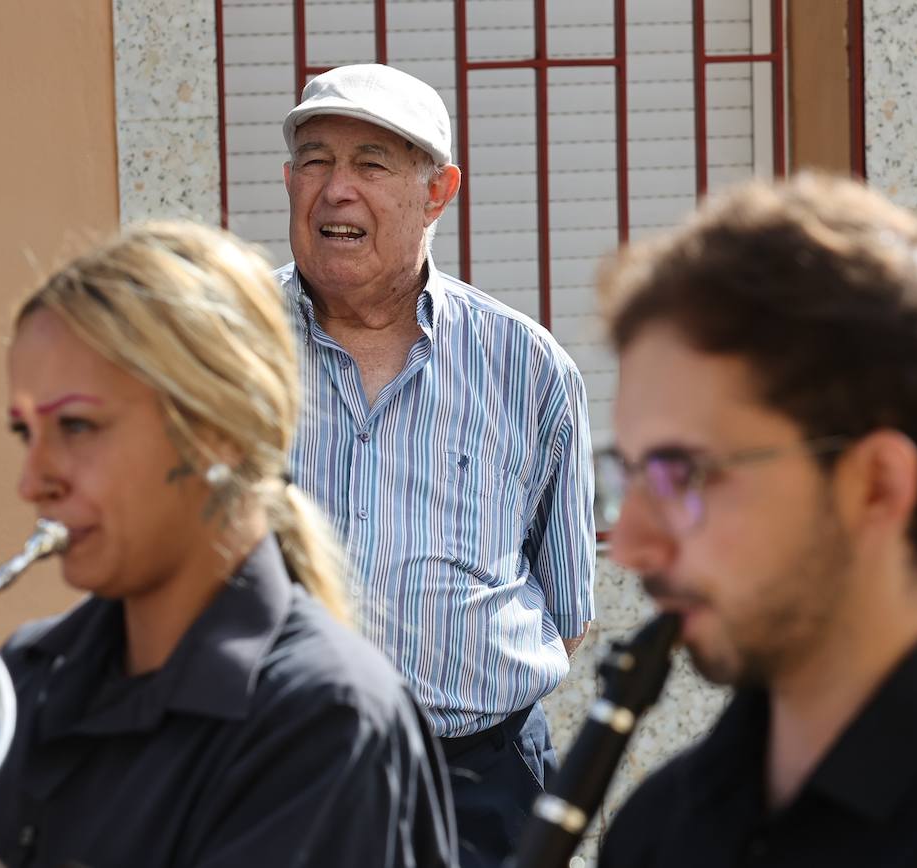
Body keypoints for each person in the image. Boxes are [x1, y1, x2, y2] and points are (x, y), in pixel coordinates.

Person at [0, 221, 457, 867]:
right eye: (27, 434)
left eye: (78, 428)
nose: (34, 481)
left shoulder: (326, 718)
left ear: (218, 429)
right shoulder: (30, 679)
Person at [595, 175, 917, 867]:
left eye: (685, 473)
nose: (633, 545)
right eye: (630, 474)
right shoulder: (657, 829)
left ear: (877, 485)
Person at [277, 62, 597, 867]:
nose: (336, 190)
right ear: (288, 182)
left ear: (438, 191)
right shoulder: (221, 347)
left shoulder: (526, 367)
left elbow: (569, 608)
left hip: (479, 785)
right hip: (269, 774)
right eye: (316, 161)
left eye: (371, 164)